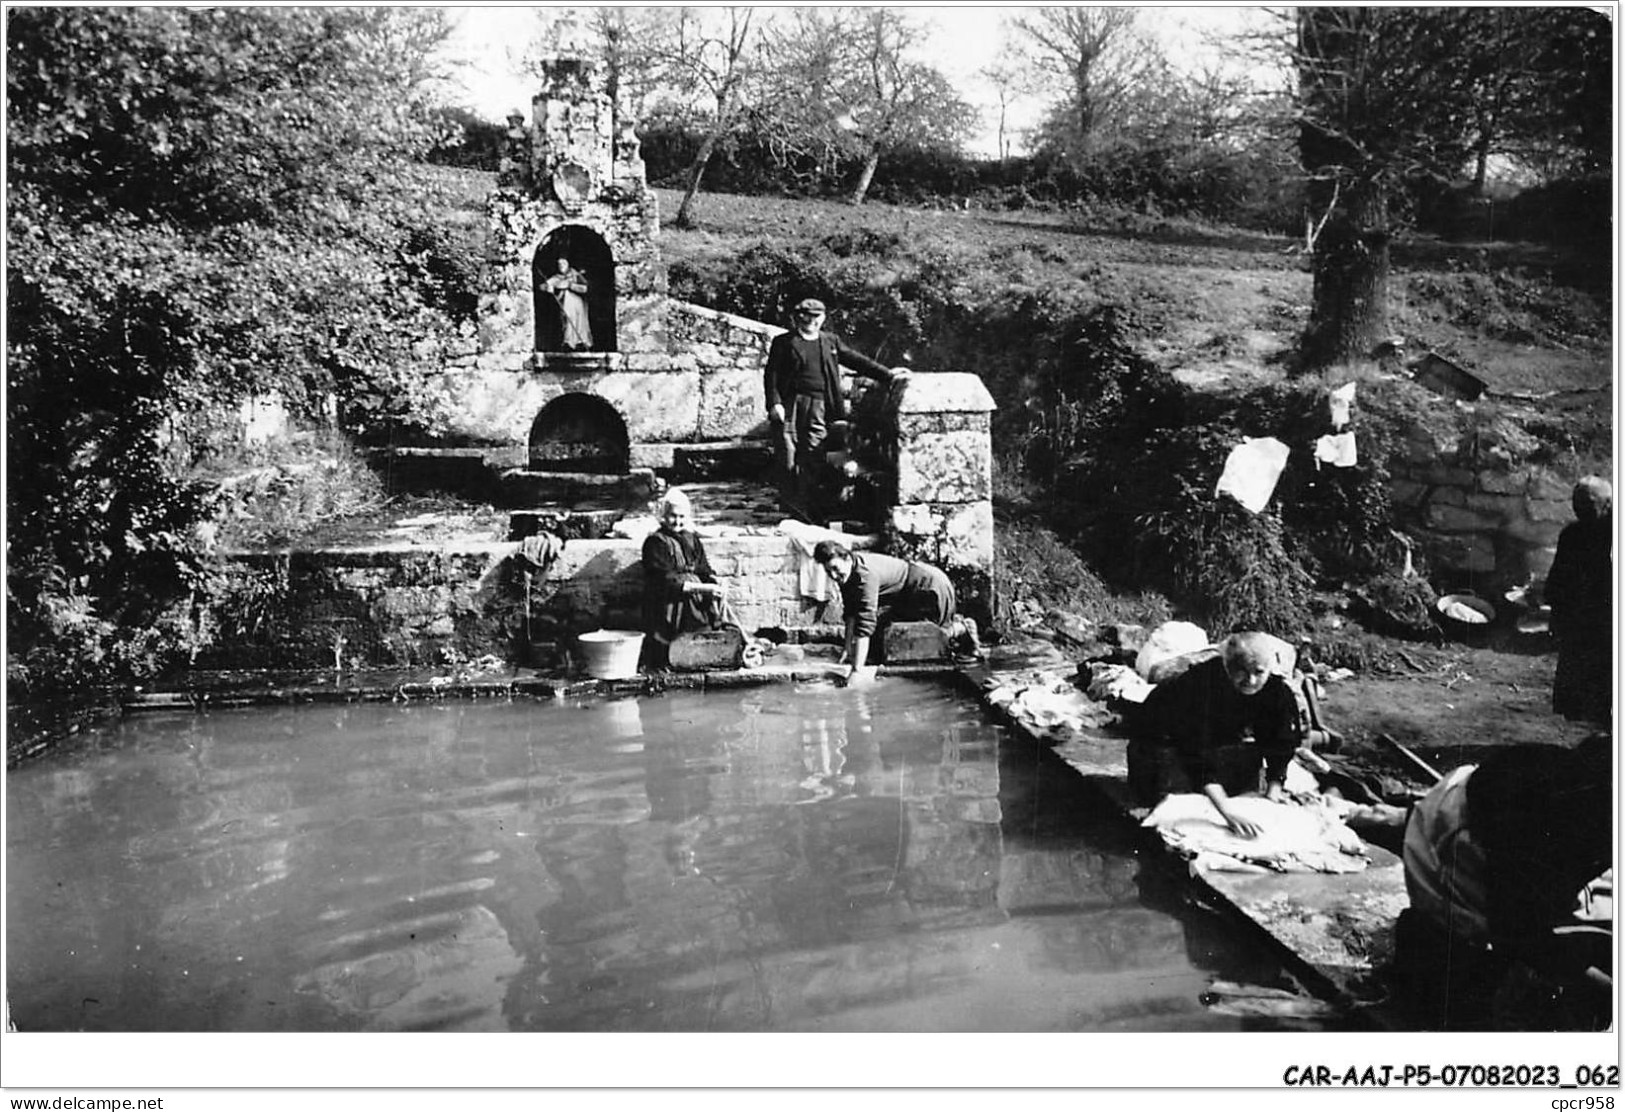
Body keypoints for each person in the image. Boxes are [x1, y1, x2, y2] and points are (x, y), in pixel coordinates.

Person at [1396, 734, 1611, 1030]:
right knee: (1476, 966)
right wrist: (1603, 985)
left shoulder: (1590, 797)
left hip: (1508, 834)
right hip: (1447, 842)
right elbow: (1516, 929)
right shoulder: (1543, 823)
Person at [1124, 631, 1302, 838]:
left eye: (1259, 672)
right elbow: (1193, 750)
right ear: (1226, 665)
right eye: (1241, 671)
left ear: (1269, 670)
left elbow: (1281, 744)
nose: (1251, 680)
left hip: (1214, 741)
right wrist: (1226, 811)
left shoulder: (1277, 692)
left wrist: (1273, 795)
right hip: (1160, 743)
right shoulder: (1199, 684)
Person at [763, 298, 902, 519]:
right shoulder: (784, 342)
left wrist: (888, 374)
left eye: (816, 317)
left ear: (823, 318)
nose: (811, 321)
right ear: (798, 317)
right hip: (790, 406)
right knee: (787, 453)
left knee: (814, 452)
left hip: (820, 406)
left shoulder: (830, 342)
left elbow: (857, 360)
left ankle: (809, 507)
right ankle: (790, 504)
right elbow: (772, 375)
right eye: (807, 316)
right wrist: (775, 403)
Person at [811, 540, 980, 680]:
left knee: (913, 637)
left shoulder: (864, 576)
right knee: (883, 635)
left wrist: (856, 671)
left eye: (835, 568)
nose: (833, 575)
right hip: (908, 594)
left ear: (847, 558)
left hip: (928, 588)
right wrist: (847, 649)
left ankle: (961, 628)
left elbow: (865, 622)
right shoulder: (847, 574)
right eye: (828, 571)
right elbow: (851, 612)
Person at [1544, 476, 1612, 724]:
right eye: (1577, 502)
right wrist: (1555, 618)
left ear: (1607, 504)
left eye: (1588, 502)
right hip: (1581, 624)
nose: (1580, 507)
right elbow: (1558, 581)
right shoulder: (1572, 534)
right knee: (1584, 686)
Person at [640, 489, 735, 669]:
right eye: (672, 516)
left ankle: (700, 653)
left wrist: (714, 581)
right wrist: (701, 588)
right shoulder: (655, 543)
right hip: (670, 602)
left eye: (682, 517)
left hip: (696, 598)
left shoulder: (691, 539)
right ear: (664, 515)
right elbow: (664, 580)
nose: (678, 521)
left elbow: (703, 568)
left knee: (709, 623)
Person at [545, 257, 593, 350]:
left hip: (578, 302)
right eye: (559, 264)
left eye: (563, 263)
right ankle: (568, 342)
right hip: (566, 303)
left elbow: (585, 288)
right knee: (567, 320)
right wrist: (549, 288)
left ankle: (581, 341)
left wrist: (571, 286)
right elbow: (544, 285)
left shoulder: (575, 274)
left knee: (580, 321)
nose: (561, 266)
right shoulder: (556, 278)